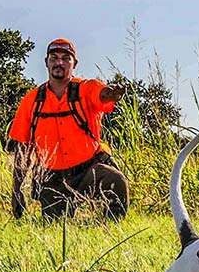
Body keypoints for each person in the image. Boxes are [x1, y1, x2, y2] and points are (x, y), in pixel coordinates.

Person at [7, 38, 129, 219]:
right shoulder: (31, 101)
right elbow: (23, 149)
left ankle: (110, 226)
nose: (59, 63)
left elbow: (102, 94)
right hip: (52, 179)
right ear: (46, 62)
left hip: (89, 171)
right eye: (54, 58)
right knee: (54, 225)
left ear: (75, 64)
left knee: (115, 180)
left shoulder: (86, 89)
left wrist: (111, 94)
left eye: (66, 58)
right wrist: (16, 191)